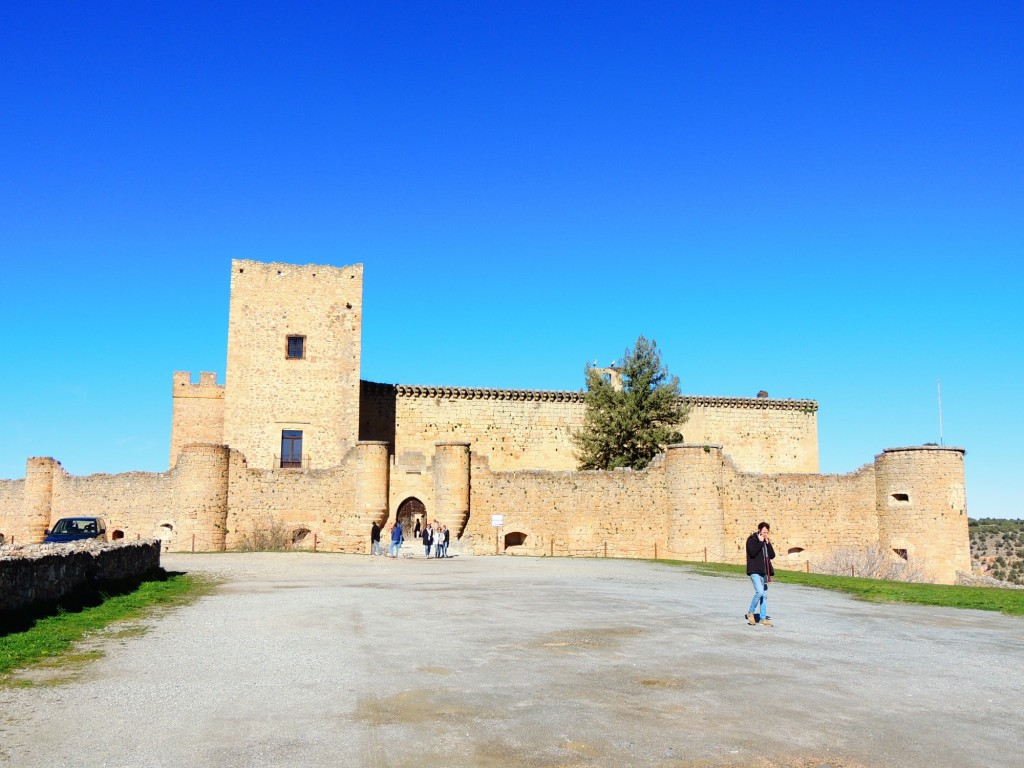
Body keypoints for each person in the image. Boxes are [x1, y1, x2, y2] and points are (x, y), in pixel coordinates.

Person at [745, 521, 776, 627]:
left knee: (765, 596)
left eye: (767, 532)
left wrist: (768, 543)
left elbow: (772, 556)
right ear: (759, 530)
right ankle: (750, 612)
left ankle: (763, 618)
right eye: (763, 532)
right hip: (754, 571)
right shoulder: (752, 540)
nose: (765, 534)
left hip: (764, 572)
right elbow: (752, 553)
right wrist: (760, 542)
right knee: (759, 592)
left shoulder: (765, 542)